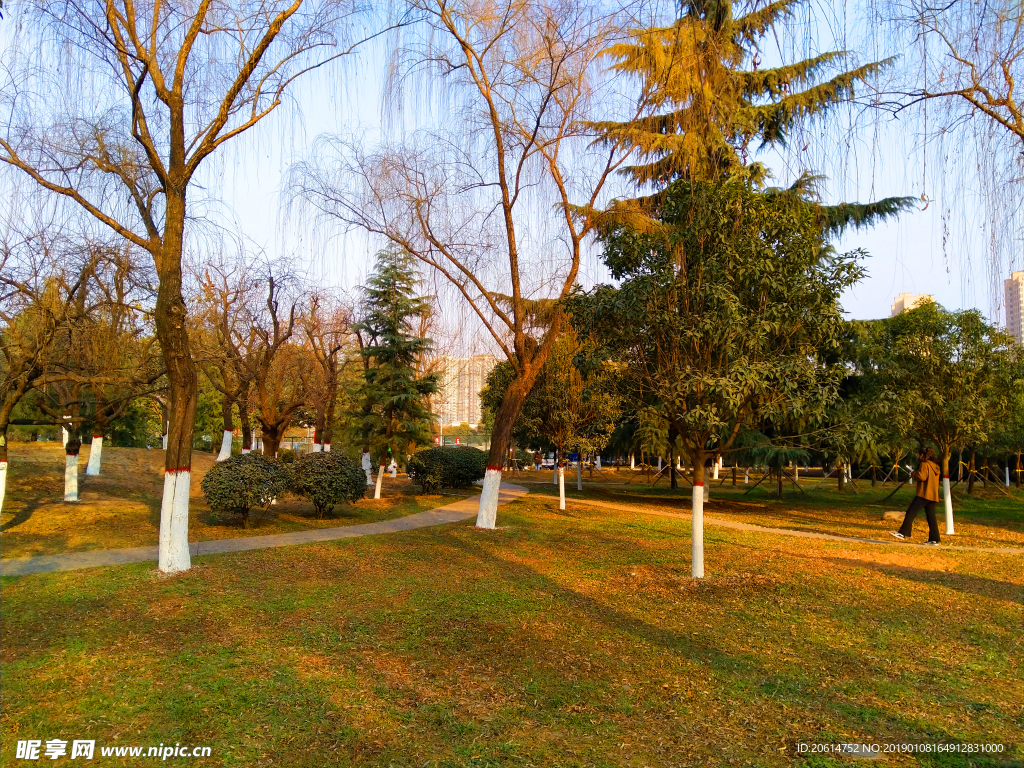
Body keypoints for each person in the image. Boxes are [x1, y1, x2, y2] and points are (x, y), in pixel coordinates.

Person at [891, 447, 941, 545]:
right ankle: (934, 539)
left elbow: (921, 477)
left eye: (919, 454)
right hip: (933, 495)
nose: (918, 456)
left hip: (924, 493)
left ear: (923, 455)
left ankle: (902, 533)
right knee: (931, 518)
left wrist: (913, 473)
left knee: (910, 512)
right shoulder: (935, 465)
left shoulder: (924, 464)